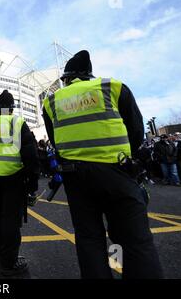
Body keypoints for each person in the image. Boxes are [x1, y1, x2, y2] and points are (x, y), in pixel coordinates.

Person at [42, 50, 163, 279]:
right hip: (116, 171)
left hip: (75, 177)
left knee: (89, 239)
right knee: (134, 239)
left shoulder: (52, 101)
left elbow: (56, 141)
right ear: (89, 74)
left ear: (66, 78)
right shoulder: (112, 87)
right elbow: (136, 132)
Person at [0, 90, 40, 277]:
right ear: (12, 107)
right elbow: (30, 155)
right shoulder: (17, 122)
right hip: (14, 178)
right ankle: (9, 262)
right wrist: (33, 184)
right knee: (11, 220)